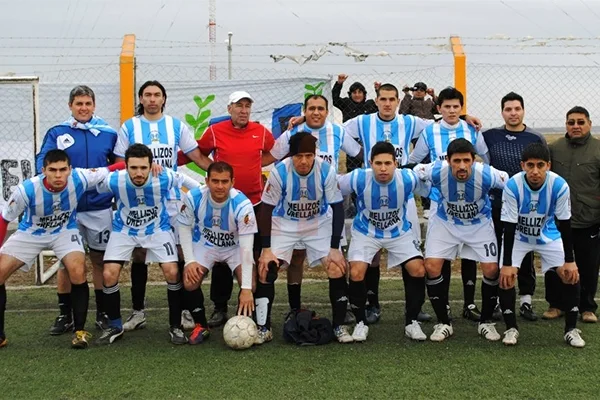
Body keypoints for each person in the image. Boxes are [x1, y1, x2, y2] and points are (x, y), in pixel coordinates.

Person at [113, 80, 211, 332]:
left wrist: (219, 175)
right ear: (141, 99)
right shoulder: (130, 126)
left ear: (164, 99)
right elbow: (118, 163)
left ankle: (185, 311)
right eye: (148, 95)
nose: (153, 99)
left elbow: (196, 156)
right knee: (139, 254)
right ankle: (138, 311)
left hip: (172, 201)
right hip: (140, 201)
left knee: (179, 253)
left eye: (157, 95)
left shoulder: (176, 125)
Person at [0, 149, 123, 349]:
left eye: (63, 170)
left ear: (70, 169)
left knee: (77, 269)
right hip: (31, 233)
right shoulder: (27, 189)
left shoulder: (81, 177)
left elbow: (111, 168)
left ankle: (79, 332)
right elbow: (4, 219)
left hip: (65, 230)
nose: (58, 175)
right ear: (43, 170)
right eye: (53, 170)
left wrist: (149, 165)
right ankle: (0, 336)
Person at [178, 90, 274, 328]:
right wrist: (213, 170)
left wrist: (253, 165)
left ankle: (252, 308)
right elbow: (196, 153)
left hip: (253, 204)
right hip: (219, 203)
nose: (243, 110)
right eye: (238, 106)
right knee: (219, 260)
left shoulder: (261, 132)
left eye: (247, 106)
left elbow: (274, 152)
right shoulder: (215, 131)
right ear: (229, 109)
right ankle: (219, 307)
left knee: (251, 255)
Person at [263, 94, 361, 320]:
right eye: (311, 108)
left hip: (325, 207)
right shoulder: (292, 133)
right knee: (296, 258)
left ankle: (342, 308)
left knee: (337, 259)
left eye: (320, 108)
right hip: (292, 211)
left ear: (327, 112)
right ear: (304, 111)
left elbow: (357, 153)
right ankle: (294, 307)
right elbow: (271, 157)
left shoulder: (337, 131)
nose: (316, 112)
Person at [342, 83, 432, 324]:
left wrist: (413, 160)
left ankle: (414, 308)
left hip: (402, 188)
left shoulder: (409, 121)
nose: (388, 103)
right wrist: (359, 155)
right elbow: (338, 132)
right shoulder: (363, 121)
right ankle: (372, 304)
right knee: (369, 254)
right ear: (377, 99)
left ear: (397, 101)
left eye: (392, 99)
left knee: (409, 249)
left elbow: (437, 126)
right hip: (371, 189)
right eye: (383, 99)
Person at [96, 144, 200, 345]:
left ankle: (175, 327)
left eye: (143, 167)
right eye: (133, 168)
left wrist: (205, 196)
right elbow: (96, 185)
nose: (139, 173)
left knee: (172, 271)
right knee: (108, 274)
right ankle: (115, 326)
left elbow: (190, 183)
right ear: (125, 166)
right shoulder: (115, 180)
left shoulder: (163, 177)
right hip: (124, 230)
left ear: (151, 165)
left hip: (157, 230)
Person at [35, 85, 118, 334]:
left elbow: (118, 165)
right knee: (66, 262)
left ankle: (103, 312)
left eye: (87, 103)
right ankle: (66, 314)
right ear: (70, 106)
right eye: (78, 103)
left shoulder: (108, 133)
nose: (83, 108)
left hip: (99, 207)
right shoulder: (57, 132)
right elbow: (43, 162)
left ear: (94, 106)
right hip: (67, 209)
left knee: (99, 260)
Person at [413, 138, 508, 342]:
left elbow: (512, 186)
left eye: (466, 160)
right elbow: (413, 173)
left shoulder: (488, 174)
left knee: (492, 270)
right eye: (457, 161)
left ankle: (486, 322)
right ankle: (444, 322)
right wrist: (428, 192)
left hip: (479, 225)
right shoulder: (436, 170)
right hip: (445, 223)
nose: (462, 166)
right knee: (431, 267)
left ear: (474, 160)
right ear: (448, 160)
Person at [257, 133, 347, 343]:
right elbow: (266, 210)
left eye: (309, 155)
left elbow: (337, 208)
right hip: (285, 222)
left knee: (336, 266)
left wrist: (334, 247)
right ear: (291, 155)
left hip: (317, 222)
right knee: (266, 269)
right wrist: (266, 249)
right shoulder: (280, 172)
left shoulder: (326, 170)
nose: (304, 161)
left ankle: (339, 326)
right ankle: (264, 327)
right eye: (299, 156)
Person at [409, 87, 489, 322]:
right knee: (439, 255)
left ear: (461, 108)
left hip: (471, 204)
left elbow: (486, 156)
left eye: (456, 107)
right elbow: (415, 160)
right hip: (440, 203)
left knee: (470, 254)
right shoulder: (430, 131)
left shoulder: (471, 129)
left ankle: (469, 303)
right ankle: (443, 305)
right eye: (447, 106)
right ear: (439, 108)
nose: (452, 110)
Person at [338, 141, 428, 342]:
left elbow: (432, 187)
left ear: (396, 163)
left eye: (388, 163)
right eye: (378, 163)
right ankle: (361, 322)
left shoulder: (407, 178)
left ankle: (411, 321)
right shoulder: (358, 178)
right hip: (366, 232)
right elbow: (333, 187)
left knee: (418, 269)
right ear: (370, 163)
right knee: (356, 271)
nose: (383, 168)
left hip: (399, 232)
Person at [499, 142, 585, 347]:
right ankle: (511, 328)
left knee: (570, 275)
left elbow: (565, 224)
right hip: (519, 236)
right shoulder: (512, 185)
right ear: (522, 165)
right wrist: (508, 264)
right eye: (530, 165)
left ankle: (571, 329)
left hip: (548, 235)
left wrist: (570, 260)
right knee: (506, 276)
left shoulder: (559, 185)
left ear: (548, 165)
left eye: (540, 165)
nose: (535, 171)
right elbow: (509, 228)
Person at [483, 92, 546, 322]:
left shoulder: (535, 138)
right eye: (508, 109)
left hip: (528, 206)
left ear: (523, 110)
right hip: (498, 204)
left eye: (517, 109)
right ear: (502, 112)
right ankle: (502, 299)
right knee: (502, 250)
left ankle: (526, 300)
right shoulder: (490, 135)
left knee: (527, 251)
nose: (513, 113)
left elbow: (543, 170)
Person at [177, 161, 257, 344]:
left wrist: (245, 289)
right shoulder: (193, 197)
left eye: (224, 181)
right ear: (206, 181)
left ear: (232, 182)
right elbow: (183, 228)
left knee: (250, 284)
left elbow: (246, 248)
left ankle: (242, 321)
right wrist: (189, 261)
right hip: (206, 244)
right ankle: (201, 326)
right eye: (215, 181)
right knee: (189, 281)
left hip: (234, 247)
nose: (220, 186)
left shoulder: (242, 205)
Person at [549, 106, 600, 324]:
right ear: (566, 125)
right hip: (558, 220)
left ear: (589, 124)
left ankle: (587, 307)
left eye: (580, 122)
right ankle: (556, 304)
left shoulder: (598, 149)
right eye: (571, 122)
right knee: (555, 262)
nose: (576, 126)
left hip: (588, 218)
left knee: (588, 265)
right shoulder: (554, 148)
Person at [331, 74, 378, 175]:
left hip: (368, 140)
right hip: (351, 141)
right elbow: (334, 99)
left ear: (364, 94)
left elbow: (381, 103)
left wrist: (378, 90)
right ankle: (353, 189)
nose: (357, 95)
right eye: (354, 92)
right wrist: (339, 83)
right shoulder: (346, 103)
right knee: (353, 169)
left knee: (371, 167)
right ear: (350, 94)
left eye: (360, 92)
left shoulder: (370, 104)